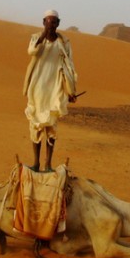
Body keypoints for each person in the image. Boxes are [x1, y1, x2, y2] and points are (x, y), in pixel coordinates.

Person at [23, 9, 78, 172]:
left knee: (51, 126)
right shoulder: (35, 38)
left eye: (54, 22)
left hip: (55, 87)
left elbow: (70, 66)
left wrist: (71, 89)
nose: (51, 25)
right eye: (48, 21)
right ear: (43, 22)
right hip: (38, 86)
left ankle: (47, 164)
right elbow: (31, 51)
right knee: (36, 124)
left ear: (58, 24)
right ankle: (36, 163)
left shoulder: (65, 42)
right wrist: (42, 36)